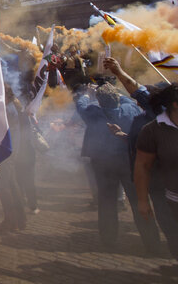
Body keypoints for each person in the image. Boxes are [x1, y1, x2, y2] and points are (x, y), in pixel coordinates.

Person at [105, 57, 178, 259]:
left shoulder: (159, 112)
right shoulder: (152, 123)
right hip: (158, 184)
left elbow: (137, 90)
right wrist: (123, 136)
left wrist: (119, 72)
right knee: (170, 228)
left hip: (165, 184)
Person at [74, 81, 157, 251]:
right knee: (138, 200)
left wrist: (87, 93)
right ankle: (151, 240)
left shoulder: (94, 112)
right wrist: (116, 92)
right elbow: (127, 100)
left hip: (103, 163)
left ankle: (108, 239)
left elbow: (81, 105)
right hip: (128, 160)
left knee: (106, 201)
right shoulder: (130, 109)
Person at [135, 84, 178, 241]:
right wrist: (142, 200)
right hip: (172, 204)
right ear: (175, 104)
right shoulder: (152, 130)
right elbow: (142, 166)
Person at [0, 85, 27, 232]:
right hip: (11, 149)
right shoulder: (14, 104)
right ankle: (20, 220)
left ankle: (12, 221)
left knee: (3, 185)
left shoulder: (8, 109)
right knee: (12, 184)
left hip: (7, 150)